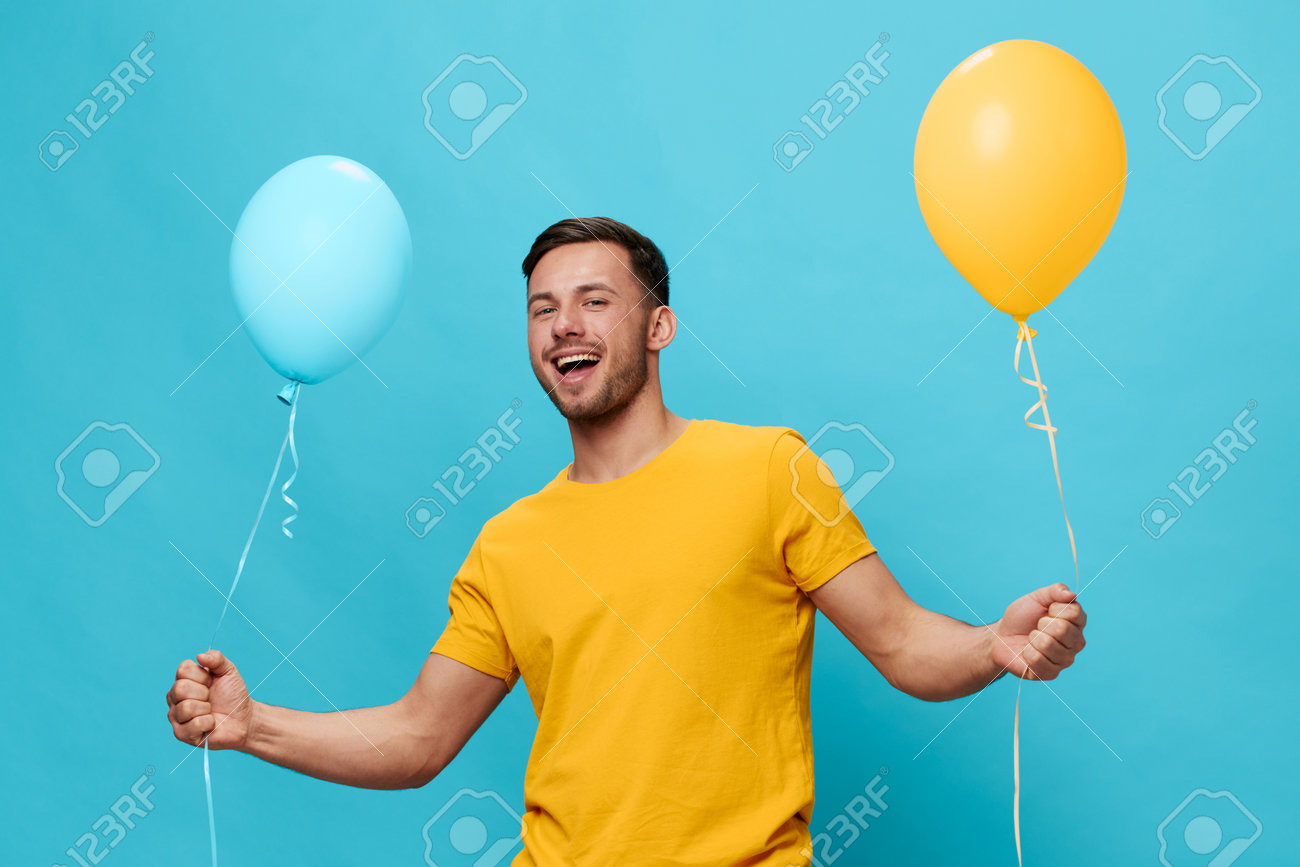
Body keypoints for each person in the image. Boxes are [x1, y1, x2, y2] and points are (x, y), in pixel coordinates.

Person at [167, 217, 1087, 865]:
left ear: (658, 327)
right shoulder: (509, 544)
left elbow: (901, 644)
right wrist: (254, 726)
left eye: (594, 300)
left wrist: (992, 646)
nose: (564, 324)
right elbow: (419, 737)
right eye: (542, 307)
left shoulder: (769, 467)